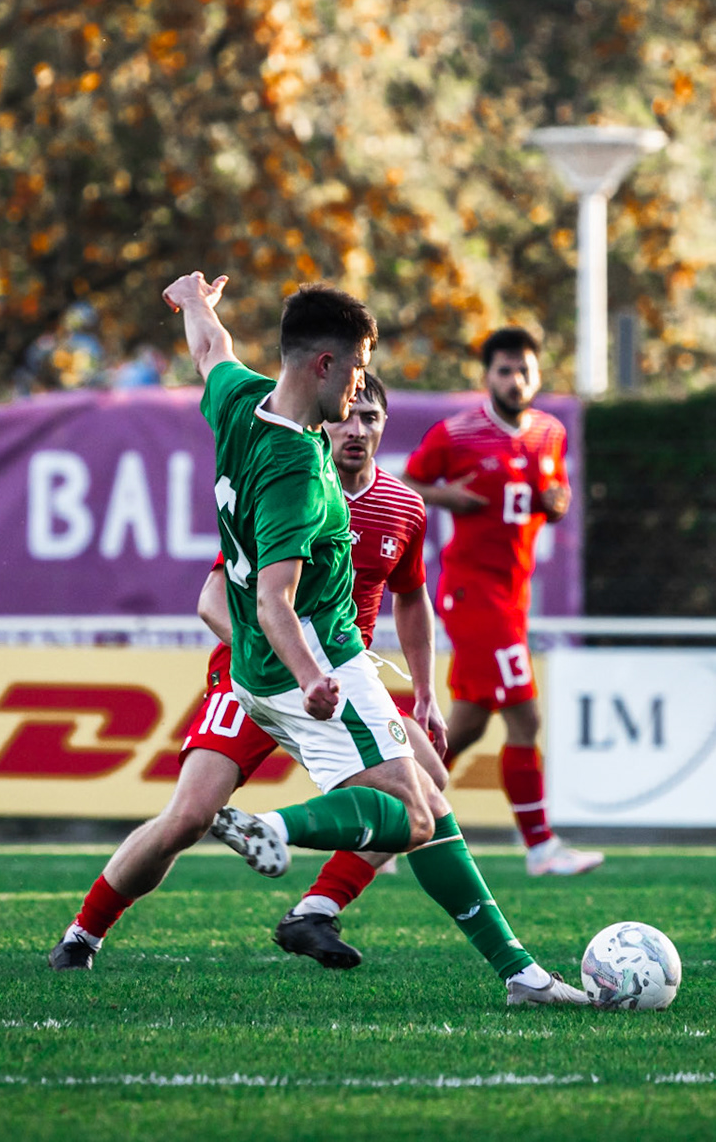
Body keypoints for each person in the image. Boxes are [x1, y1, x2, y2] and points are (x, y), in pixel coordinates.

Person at [53, 273, 587, 1006]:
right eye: (358, 368)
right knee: (412, 813)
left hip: (270, 670)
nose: (362, 396)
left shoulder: (239, 400)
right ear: (324, 366)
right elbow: (272, 601)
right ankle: (271, 833)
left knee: (426, 799)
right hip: (313, 669)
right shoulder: (300, 474)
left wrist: (195, 304)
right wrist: (313, 677)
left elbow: (212, 351)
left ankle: (511, 971)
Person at [50, 376, 446, 972]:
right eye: (347, 417)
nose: (356, 430)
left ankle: (314, 910)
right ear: (325, 418)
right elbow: (213, 598)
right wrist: (277, 660)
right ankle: (83, 934)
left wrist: (425, 694)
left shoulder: (403, 506)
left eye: (370, 418)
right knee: (188, 819)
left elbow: (412, 599)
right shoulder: (289, 482)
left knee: (426, 792)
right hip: (255, 677)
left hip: (335, 683)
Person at [404, 327, 603, 877]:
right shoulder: (459, 432)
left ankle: (391, 813)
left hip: (512, 596)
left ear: (538, 375)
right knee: (525, 715)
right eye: (505, 371)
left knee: (466, 724)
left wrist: (557, 502)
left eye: (525, 370)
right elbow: (407, 481)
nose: (516, 380)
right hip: (472, 591)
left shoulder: (550, 433)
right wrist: (449, 497)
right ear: (487, 376)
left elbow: (553, 494)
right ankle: (540, 847)